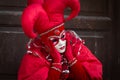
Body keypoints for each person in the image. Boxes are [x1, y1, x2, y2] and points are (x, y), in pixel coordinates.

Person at [18, 0, 102, 80]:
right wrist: (57, 62)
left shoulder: (75, 46)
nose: (61, 43)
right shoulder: (36, 56)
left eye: (62, 37)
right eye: (54, 40)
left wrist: (71, 58)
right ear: (45, 42)